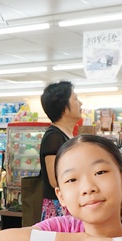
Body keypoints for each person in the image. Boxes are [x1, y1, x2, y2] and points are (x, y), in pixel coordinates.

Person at [38, 80, 83, 220]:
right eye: (75, 99)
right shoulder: (54, 137)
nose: (80, 103)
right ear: (63, 107)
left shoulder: (67, 135)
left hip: (69, 203)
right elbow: (54, 180)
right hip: (59, 208)